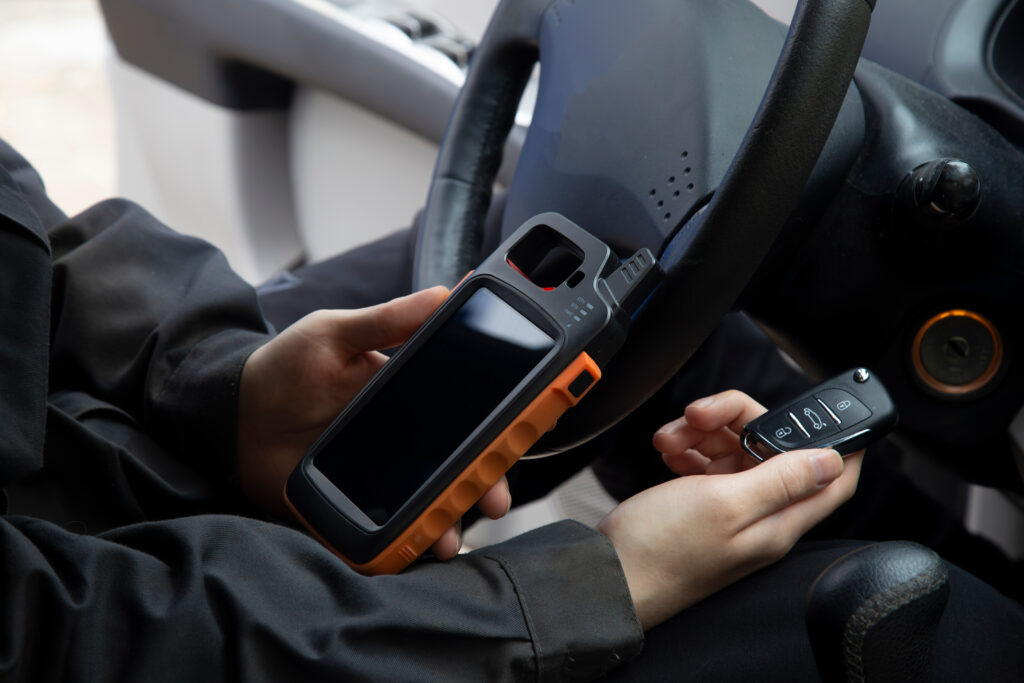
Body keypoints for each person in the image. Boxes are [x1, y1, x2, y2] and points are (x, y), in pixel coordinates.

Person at [1, 137, 1021, 682]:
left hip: (105, 465)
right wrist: (580, 590)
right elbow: (51, 637)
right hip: (136, 624)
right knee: (935, 627)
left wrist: (223, 383)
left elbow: (36, 246)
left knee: (629, 289)